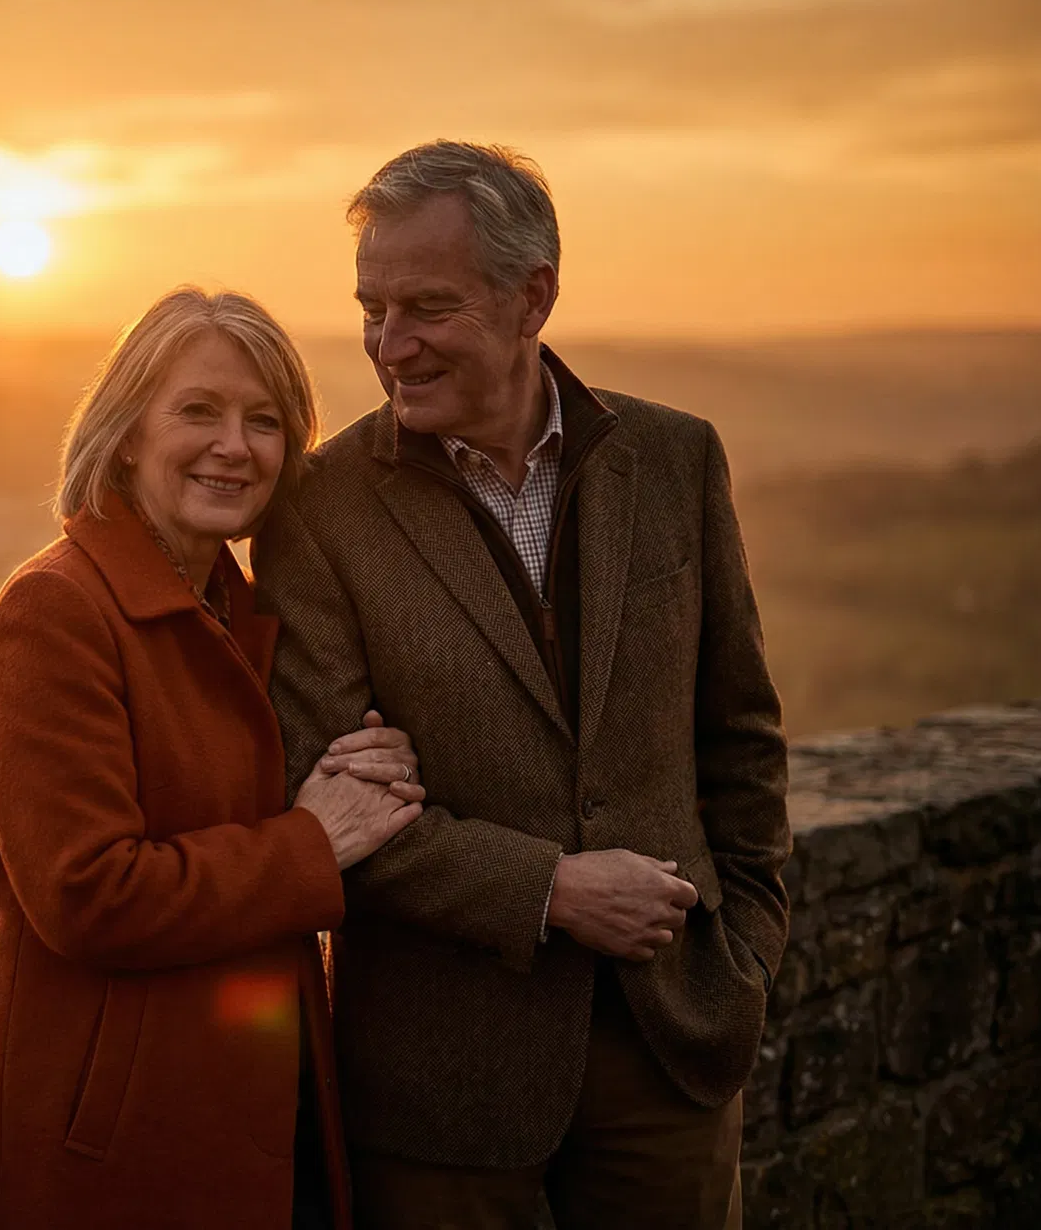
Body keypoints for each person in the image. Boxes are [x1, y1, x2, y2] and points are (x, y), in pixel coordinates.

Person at [255, 141, 792, 1229]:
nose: (389, 345)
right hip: (440, 1082)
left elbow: (739, 735)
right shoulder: (317, 508)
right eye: (372, 308)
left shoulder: (677, 459)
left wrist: (745, 955)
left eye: (428, 307)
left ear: (532, 294)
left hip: (673, 1044)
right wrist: (549, 888)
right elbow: (333, 815)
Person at [0, 286, 426, 1230]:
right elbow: (90, 894)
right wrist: (313, 841)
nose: (234, 444)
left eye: (264, 420)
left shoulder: (234, 610)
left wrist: (369, 769)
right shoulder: (57, 613)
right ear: (125, 433)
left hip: (242, 1107)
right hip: (100, 1146)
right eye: (199, 410)